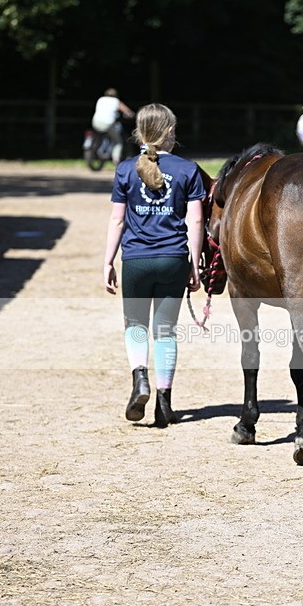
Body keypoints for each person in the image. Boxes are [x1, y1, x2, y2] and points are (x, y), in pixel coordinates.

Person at [103, 103, 205, 426]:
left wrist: (107, 261)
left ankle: (140, 377)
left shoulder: (124, 170)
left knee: (136, 326)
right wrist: (195, 265)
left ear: (139, 133)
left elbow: (117, 221)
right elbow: (197, 219)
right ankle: (164, 404)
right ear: (169, 132)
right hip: (174, 257)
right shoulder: (188, 170)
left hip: (136, 258)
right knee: (165, 332)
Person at [91, 88, 135, 163]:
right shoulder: (116, 101)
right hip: (108, 123)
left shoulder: (101, 99)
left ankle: (97, 149)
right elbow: (127, 111)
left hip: (95, 121)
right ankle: (116, 159)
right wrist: (132, 115)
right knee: (118, 141)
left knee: (99, 135)